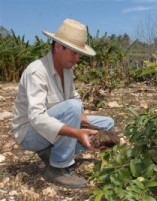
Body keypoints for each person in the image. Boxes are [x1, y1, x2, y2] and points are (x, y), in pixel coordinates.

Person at [12, 19, 114, 188]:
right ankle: (58, 168)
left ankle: (53, 150)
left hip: (57, 122)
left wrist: (85, 123)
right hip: (30, 133)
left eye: (79, 53)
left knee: (107, 124)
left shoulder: (67, 70)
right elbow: (37, 118)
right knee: (73, 108)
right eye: (74, 52)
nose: (77, 58)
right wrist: (75, 132)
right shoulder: (36, 72)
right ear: (58, 47)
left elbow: (74, 98)